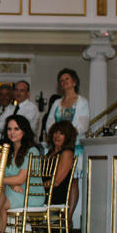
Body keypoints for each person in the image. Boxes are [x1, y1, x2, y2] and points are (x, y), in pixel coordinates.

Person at [0, 114, 43, 233]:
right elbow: (10, 177)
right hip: (15, 190)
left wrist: (7, 182)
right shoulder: (9, 150)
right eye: (9, 129)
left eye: (16, 129)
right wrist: (11, 184)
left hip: (31, 194)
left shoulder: (32, 150)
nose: (12, 132)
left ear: (24, 131)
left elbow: (20, 178)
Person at [45, 69, 89, 214]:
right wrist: (56, 135)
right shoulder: (57, 102)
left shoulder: (82, 102)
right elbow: (50, 122)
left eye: (67, 79)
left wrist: (67, 135)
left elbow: (82, 125)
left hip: (73, 146)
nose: (64, 82)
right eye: (62, 80)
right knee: (54, 177)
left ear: (74, 82)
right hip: (57, 146)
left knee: (73, 181)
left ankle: (69, 216)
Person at [44, 121, 76, 208]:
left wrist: (37, 187)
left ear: (68, 136)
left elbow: (56, 182)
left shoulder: (67, 153)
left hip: (54, 196)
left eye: (61, 133)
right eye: (55, 132)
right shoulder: (50, 152)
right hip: (43, 193)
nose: (57, 136)